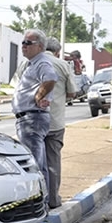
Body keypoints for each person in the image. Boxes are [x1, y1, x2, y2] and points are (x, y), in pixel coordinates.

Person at [11, 29, 57, 195]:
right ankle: (41, 200)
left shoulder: (42, 63)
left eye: (28, 43)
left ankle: (38, 201)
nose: (23, 46)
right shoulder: (33, 63)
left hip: (32, 119)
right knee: (38, 163)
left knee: (33, 164)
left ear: (40, 46)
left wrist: (39, 95)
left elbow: (51, 78)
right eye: (23, 42)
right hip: (30, 118)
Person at [43, 37, 76, 208]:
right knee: (52, 162)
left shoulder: (29, 63)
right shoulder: (63, 65)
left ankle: (35, 202)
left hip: (30, 123)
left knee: (32, 161)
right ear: (57, 52)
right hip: (54, 122)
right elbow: (72, 93)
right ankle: (53, 200)